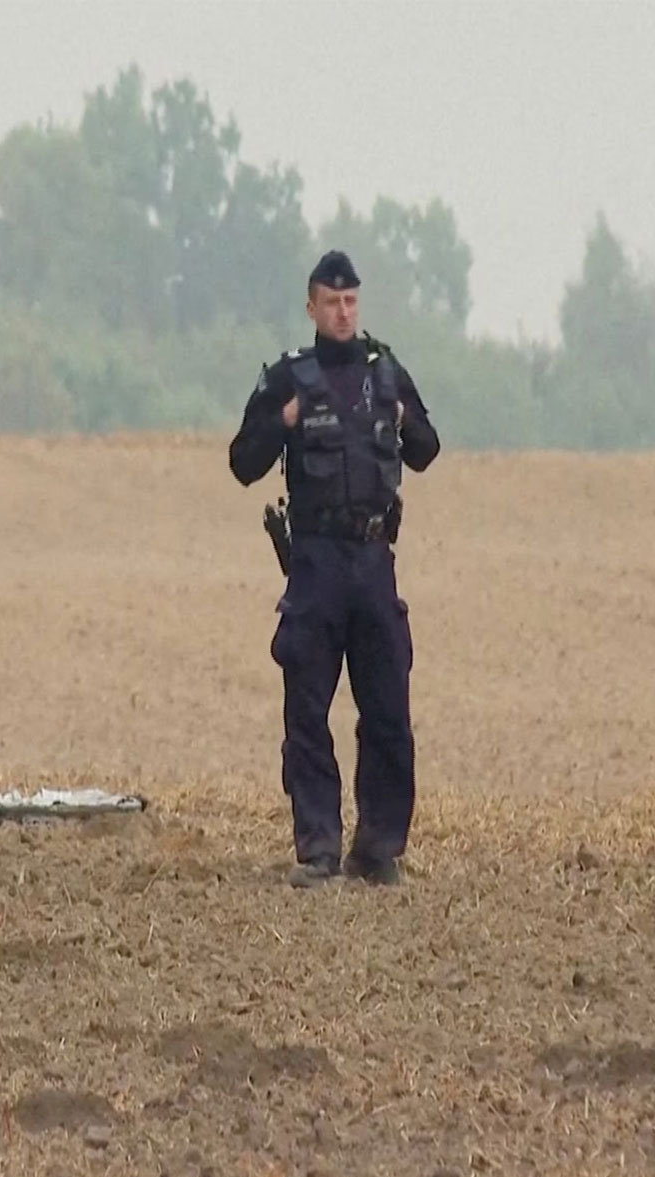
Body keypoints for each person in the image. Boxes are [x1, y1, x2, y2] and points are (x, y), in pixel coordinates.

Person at [228, 249, 441, 888]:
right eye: (331, 302)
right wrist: (282, 422)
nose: (343, 312)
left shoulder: (386, 372)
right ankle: (318, 848)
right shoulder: (289, 379)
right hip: (316, 562)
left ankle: (377, 848)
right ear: (312, 306)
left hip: (375, 561)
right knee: (307, 710)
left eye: (351, 302)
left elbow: (428, 452)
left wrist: (404, 420)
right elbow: (243, 462)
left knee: (387, 710)